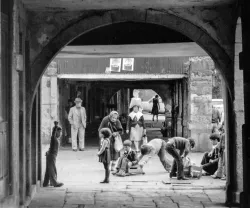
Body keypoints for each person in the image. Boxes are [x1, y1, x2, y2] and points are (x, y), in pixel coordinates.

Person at [43, 121, 64, 187]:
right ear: (56, 132)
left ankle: (45, 183)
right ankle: (54, 183)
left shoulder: (56, 139)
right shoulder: (54, 138)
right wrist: (55, 126)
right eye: (59, 132)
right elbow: (53, 135)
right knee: (52, 169)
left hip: (51, 155)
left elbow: (51, 146)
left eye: (61, 132)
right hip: (51, 156)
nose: (60, 133)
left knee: (48, 170)